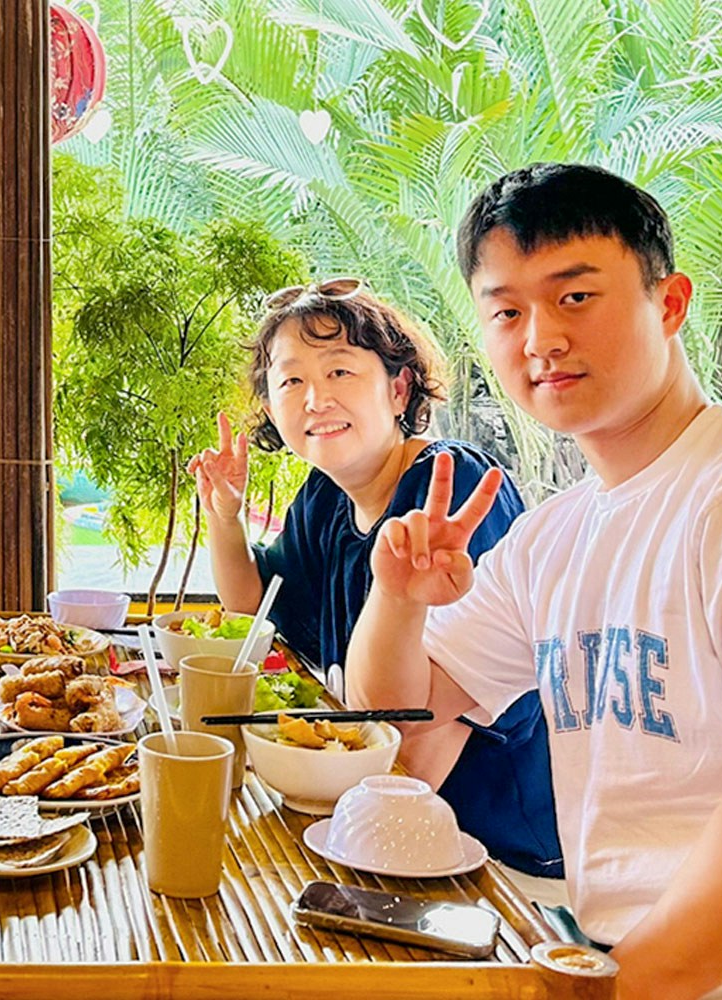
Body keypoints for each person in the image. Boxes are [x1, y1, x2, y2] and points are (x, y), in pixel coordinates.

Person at [346, 163, 722, 998]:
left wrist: (602, 993)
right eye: (506, 311)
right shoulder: (554, 537)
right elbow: (401, 726)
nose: (539, 340)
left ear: (669, 304)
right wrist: (397, 600)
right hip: (629, 961)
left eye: (574, 297)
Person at [188, 282, 563, 884]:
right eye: (290, 381)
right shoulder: (323, 499)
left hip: (494, 856)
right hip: (386, 823)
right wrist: (224, 518)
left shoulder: (449, 483)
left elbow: (441, 716)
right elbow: (255, 609)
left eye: (340, 371)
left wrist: (356, 846)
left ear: (398, 388)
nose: (315, 399)